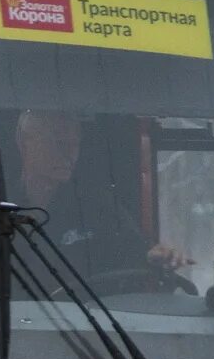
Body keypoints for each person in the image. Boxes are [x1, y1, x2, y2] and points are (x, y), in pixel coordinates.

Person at [12, 109, 189, 284]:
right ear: (24, 142)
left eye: (75, 144)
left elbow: (135, 250)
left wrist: (157, 256)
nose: (70, 154)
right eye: (59, 143)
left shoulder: (96, 205)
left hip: (91, 310)